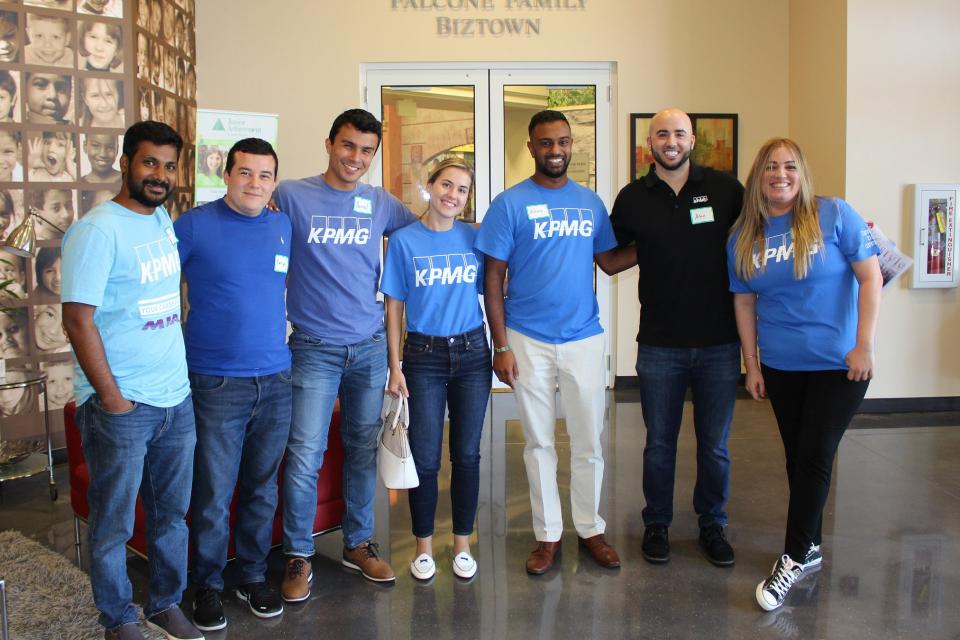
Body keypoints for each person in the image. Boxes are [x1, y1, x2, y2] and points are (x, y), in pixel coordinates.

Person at [475, 110, 634, 575]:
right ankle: (547, 535)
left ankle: (589, 528)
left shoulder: (590, 203)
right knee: (538, 443)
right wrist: (500, 344)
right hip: (527, 339)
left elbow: (607, 260)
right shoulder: (510, 204)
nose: (556, 150)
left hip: (584, 337)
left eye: (563, 142)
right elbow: (493, 277)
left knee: (589, 441)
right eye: (546, 143)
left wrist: (664, 242)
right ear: (531, 148)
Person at [726, 138, 882, 611]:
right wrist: (751, 364)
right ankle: (810, 545)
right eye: (771, 166)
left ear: (802, 172)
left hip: (839, 364)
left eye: (790, 166)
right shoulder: (743, 236)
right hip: (782, 366)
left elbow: (870, 276)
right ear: (759, 176)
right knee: (797, 457)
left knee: (815, 453)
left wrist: (864, 345)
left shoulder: (833, 214)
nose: (781, 174)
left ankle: (791, 559)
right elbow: (745, 301)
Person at [61, 120, 202, 640]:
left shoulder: (162, 217)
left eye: (168, 165)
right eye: (149, 163)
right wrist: (112, 399)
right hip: (122, 406)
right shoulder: (98, 230)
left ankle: (165, 603)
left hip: (175, 399)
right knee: (115, 522)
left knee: (172, 517)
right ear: (125, 162)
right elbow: (77, 319)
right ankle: (118, 618)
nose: (160, 175)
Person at [274, 108, 417, 600]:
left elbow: (420, 235)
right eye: (348, 146)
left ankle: (357, 542)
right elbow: (252, 225)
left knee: (360, 448)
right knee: (305, 453)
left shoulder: (380, 203)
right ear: (330, 143)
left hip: (370, 346)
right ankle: (298, 553)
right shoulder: (291, 194)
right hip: (313, 348)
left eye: (366, 151)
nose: (356, 157)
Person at [608, 108, 745, 566]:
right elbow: (609, 257)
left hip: (719, 343)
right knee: (659, 443)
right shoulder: (632, 198)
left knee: (715, 445)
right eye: (662, 133)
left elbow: (757, 240)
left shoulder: (726, 190)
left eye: (680, 133)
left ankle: (713, 525)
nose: (671, 140)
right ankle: (657, 525)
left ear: (692, 140)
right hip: (660, 343)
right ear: (650, 142)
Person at [175, 138, 290, 631]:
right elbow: (156, 291)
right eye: (246, 173)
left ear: (273, 182)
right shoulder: (195, 225)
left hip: (277, 378)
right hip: (216, 381)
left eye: (265, 176)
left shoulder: (282, 225)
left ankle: (252, 573)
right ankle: (206, 583)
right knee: (214, 493)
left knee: (262, 488)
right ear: (226, 173)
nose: (255, 184)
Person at [381, 158, 490, 581]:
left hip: (472, 353)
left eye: (462, 190)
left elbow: (496, 287)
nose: (453, 195)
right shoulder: (404, 241)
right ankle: (423, 546)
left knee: (467, 454)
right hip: (423, 356)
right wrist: (396, 365)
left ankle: (463, 543)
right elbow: (394, 308)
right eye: (447, 184)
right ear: (429, 187)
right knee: (425, 458)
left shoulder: (475, 239)